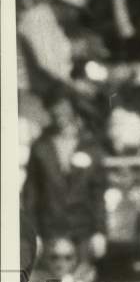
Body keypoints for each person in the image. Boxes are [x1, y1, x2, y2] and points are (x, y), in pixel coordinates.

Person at [21, 93, 107, 267]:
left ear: (74, 112)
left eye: (63, 111)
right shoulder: (41, 148)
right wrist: (33, 234)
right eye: (55, 112)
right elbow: (31, 195)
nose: (60, 116)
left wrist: (100, 231)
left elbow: (98, 193)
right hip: (50, 230)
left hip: (83, 230)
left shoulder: (90, 147)